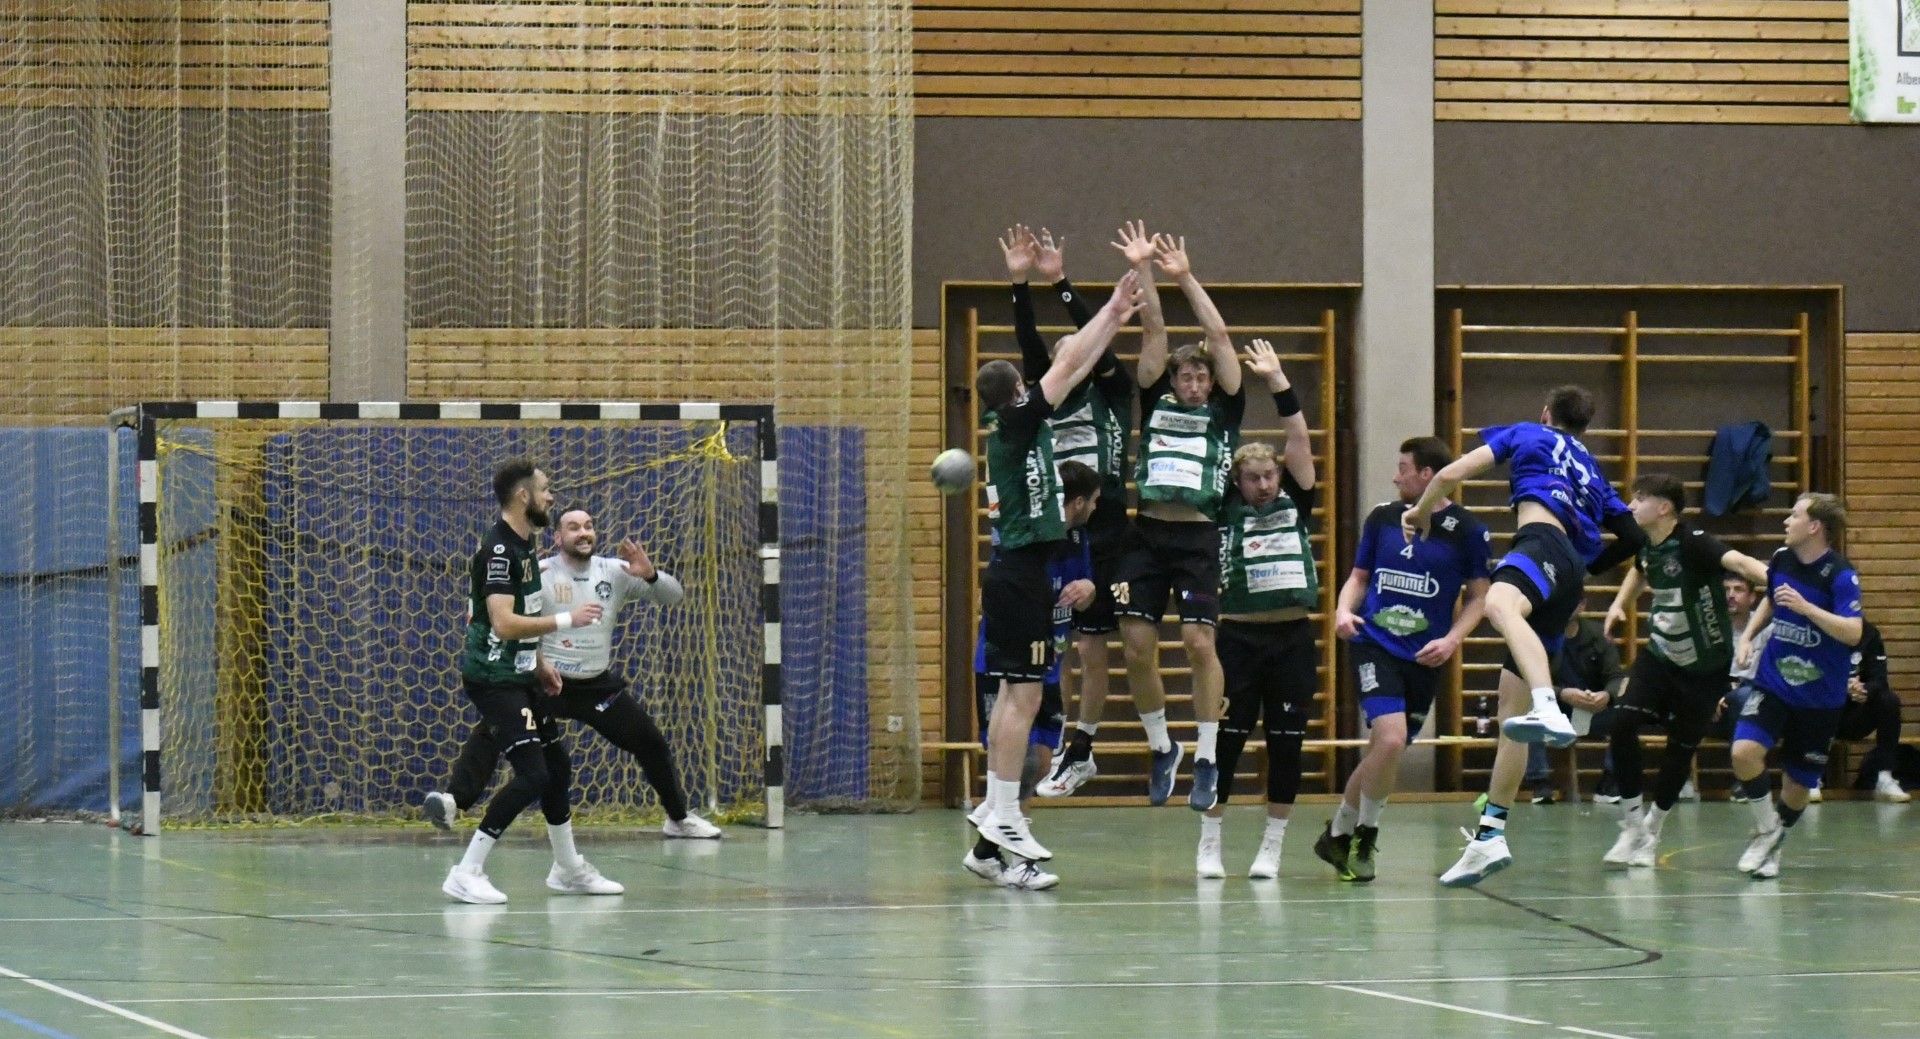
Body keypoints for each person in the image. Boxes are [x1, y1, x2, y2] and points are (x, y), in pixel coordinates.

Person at [1401, 385, 1644, 887]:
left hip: (1541, 543)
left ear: (1546, 413)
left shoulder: (1529, 433)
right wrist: (1587, 566)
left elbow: (1448, 474)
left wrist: (1420, 511)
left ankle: (1548, 705)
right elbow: (1635, 537)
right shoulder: (1592, 470)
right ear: (1584, 427)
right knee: (1512, 718)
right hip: (1568, 571)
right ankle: (1490, 836)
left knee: (1498, 603)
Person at [973, 270, 1143, 862]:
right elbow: (1067, 363)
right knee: (1021, 702)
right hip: (1021, 576)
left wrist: (1108, 325)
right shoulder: (1019, 423)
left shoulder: (1016, 427)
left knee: (1010, 700)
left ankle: (995, 814)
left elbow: (1073, 364)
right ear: (1019, 390)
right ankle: (1004, 815)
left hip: (1014, 574)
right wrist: (1114, 310)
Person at [424, 508, 724, 841]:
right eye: (573, 527)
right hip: (547, 682)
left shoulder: (616, 572)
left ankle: (678, 819)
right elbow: (514, 626)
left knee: (650, 742)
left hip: (595, 687)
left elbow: (675, 596)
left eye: (589, 526)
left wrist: (651, 575)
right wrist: (539, 662)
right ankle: (453, 801)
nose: (583, 533)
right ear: (557, 537)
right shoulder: (540, 573)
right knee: (494, 728)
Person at [441, 460, 622, 905]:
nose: (550, 496)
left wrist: (539, 663)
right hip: (494, 678)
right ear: (524, 496)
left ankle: (568, 869)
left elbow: (522, 613)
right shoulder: (501, 551)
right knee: (533, 774)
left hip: (521, 674)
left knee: (556, 768)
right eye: (545, 489)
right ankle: (467, 871)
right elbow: (503, 623)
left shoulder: (524, 544)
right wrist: (567, 619)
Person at [1315, 437, 1490, 883]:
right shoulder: (1383, 518)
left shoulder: (1467, 530)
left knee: (1385, 751)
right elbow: (1359, 577)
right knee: (1390, 741)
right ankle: (1365, 834)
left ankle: (1336, 834)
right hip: (1374, 645)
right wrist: (1342, 611)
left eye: (1403, 468)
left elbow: (1478, 598)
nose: (1395, 477)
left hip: (1425, 657)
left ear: (1428, 475)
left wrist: (1452, 640)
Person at [1113, 235, 1245, 809]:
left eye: (1200, 378)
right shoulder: (1155, 402)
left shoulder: (1224, 409)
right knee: (1136, 646)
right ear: (1173, 382)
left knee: (1197, 641)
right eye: (1185, 377)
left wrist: (1185, 276)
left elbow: (1219, 336)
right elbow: (1154, 333)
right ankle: (1163, 747)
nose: (1193, 385)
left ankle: (1207, 756)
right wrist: (1143, 269)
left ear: (1210, 383)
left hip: (1196, 537)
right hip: (1146, 534)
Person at [1599, 474, 1770, 868]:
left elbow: (1739, 562)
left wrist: (1779, 581)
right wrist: (1619, 604)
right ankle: (1632, 826)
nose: (1630, 505)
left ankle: (1652, 830)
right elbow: (1640, 569)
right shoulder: (1648, 543)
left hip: (1705, 667)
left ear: (1664, 508)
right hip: (1660, 654)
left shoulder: (1694, 543)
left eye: (1640, 498)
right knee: (1621, 724)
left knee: (1680, 750)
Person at [1195, 342, 1316, 879]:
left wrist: (1277, 380)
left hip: (1292, 640)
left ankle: (1272, 845)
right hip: (1238, 641)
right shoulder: (1225, 508)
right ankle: (1210, 842)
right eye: (1254, 478)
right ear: (1238, 482)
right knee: (1227, 743)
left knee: (1286, 747)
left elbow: (1299, 439)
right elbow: (1216, 437)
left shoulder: (1297, 500)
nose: (1264, 485)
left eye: (1269, 476)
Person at [963, 461, 1102, 891]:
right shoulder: (1027, 535)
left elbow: (1086, 589)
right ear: (1076, 502)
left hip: (1050, 658)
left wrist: (1088, 589)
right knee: (1018, 759)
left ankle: (986, 853)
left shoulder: (1077, 538)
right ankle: (1018, 858)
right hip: (1003, 658)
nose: (1096, 509)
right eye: (1093, 502)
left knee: (1040, 761)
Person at [1731, 492, 1863, 879]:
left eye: (1795, 515)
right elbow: (1773, 599)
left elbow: (1853, 632)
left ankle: (1775, 843)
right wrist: (1747, 636)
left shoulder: (1841, 575)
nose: (1787, 521)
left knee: (1797, 787)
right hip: (1775, 682)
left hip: (1820, 697)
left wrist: (1807, 608)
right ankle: (1766, 830)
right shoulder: (1782, 558)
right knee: (1743, 752)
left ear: (1815, 526)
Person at [1838, 620, 1909, 802]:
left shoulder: (1869, 633)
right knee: (1808, 701)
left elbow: (1880, 679)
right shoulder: (1821, 630)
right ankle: (1811, 778)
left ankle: (1884, 776)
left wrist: (1864, 690)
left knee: (1889, 701)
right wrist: (1842, 688)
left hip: (1855, 715)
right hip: (1824, 713)